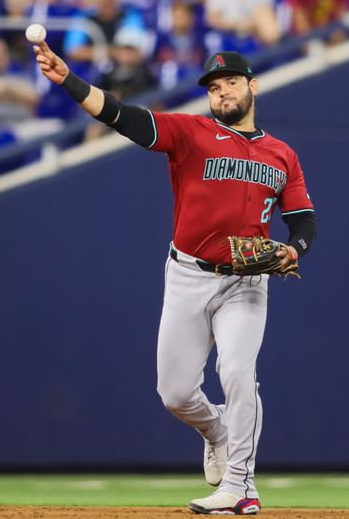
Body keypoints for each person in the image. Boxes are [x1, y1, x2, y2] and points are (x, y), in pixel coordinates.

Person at [33, 41, 317, 514]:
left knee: (239, 373)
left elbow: (303, 218)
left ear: (252, 86)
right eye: (213, 86)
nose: (221, 91)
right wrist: (68, 80)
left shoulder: (281, 153)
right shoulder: (190, 132)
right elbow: (120, 115)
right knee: (176, 394)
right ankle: (217, 431)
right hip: (188, 275)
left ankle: (241, 485)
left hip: (246, 283)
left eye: (229, 82)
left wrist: (294, 248)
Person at [205, 0, 281, 51]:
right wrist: (239, 25)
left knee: (262, 13)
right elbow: (213, 20)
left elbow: (269, 15)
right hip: (233, 35)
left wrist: (251, 25)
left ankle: (276, 48)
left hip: (258, 32)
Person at [284, 0, 349, 44]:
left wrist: (335, 46)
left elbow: (342, 22)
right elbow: (303, 32)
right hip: (303, 45)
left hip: (334, 39)